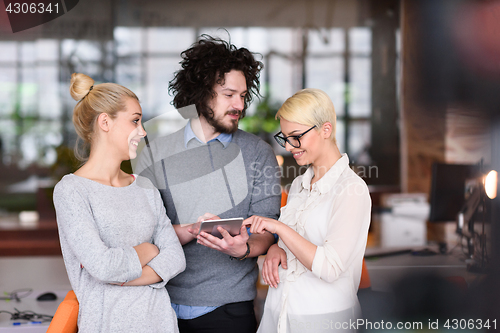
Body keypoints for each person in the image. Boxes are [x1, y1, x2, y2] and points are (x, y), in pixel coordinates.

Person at [136, 36, 281, 333]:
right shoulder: (155, 153)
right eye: (229, 94)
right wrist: (187, 231)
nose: (239, 104)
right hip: (159, 306)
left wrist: (243, 249)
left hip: (228, 311)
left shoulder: (259, 153)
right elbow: (142, 232)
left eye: (243, 96)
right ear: (202, 95)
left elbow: (268, 230)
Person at [53, 73, 186, 333]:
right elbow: (103, 267)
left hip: (160, 324)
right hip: (105, 325)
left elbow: (176, 258)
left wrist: (122, 277)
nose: (143, 131)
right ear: (105, 122)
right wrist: (149, 250)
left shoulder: (144, 186)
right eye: (135, 121)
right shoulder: (71, 191)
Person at [245, 88, 372, 333]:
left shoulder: (351, 189)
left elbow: (330, 267)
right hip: (279, 316)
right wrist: (275, 246)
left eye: (296, 136)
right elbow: (296, 246)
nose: (290, 146)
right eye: (284, 138)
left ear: (326, 130)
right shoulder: (298, 186)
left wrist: (277, 228)